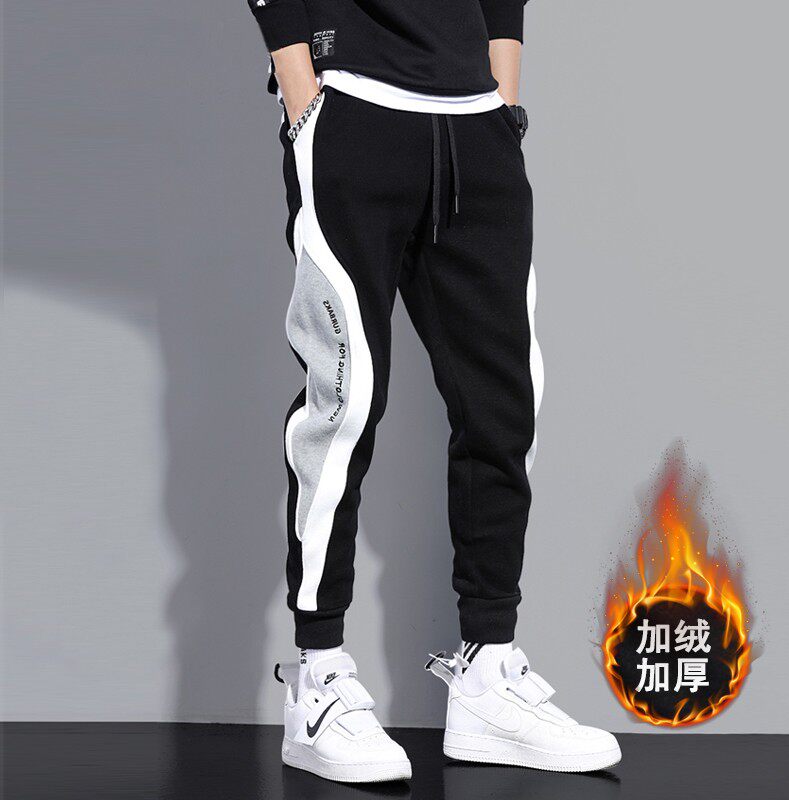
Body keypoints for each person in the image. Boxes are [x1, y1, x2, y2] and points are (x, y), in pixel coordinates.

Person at [247, 0, 621, 783]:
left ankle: (488, 671)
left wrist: (503, 103)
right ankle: (318, 679)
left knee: (504, 406)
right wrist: (301, 93)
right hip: (352, 107)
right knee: (345, 402)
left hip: (477, 124)